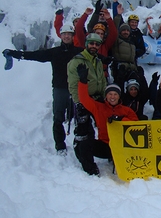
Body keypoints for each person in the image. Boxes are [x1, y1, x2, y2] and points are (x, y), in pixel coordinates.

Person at [3, 24, 82, 155]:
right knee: (58, 118)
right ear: (61, 36)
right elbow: (35, 55)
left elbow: (95, 57)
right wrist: (15, 54)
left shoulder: (79, 52)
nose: (67, 36)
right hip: (59, 89)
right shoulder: (54, 52)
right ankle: (60, 146)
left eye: (69, 34)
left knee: (80, 117)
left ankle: (80, 144)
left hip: (75, 89)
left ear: (73, 36)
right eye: (64, 34)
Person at [76, 64, 138, 176]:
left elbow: (136, 126)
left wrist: (121, 120)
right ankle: (91, 170)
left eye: (115, 94)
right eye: (110, 94)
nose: (112, 97)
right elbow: (84, 99)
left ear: (119, 96)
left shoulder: (126, 110)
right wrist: (83, 81)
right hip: (106, 145)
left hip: (124, 147)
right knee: (83, 145)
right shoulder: (99, 108)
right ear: (106, 96)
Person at [67, 33, 107, 174]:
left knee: (101, 128)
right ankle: (87, 164)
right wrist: (78, 103)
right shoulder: (76, 61)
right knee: (84, 131)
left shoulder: (97, 61)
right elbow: (72, 85)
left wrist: (104, 97)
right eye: (92, 43)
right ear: (86, 44)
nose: (94, 46)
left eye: (97, 44)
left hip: (97, 99)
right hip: (84, 99)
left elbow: (102, 81)